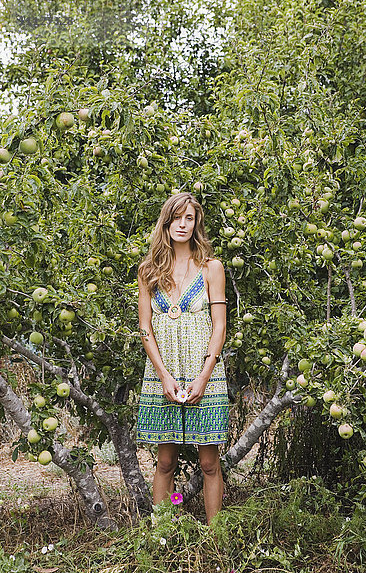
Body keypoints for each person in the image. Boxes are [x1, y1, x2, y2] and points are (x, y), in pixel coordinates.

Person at [136, 191, 229, 523]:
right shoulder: (148, 271)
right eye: (177, 217)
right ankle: (161, 534)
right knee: (165, 462)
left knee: (209, 463)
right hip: (165, 373)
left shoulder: (211, 267)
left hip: (204, 371)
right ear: (166, 221)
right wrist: (163, 375)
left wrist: (205, 376)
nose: (183, 224)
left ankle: (215, 537)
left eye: (189, 218)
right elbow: (145, 328)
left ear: (196, 223)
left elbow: (219, 326)